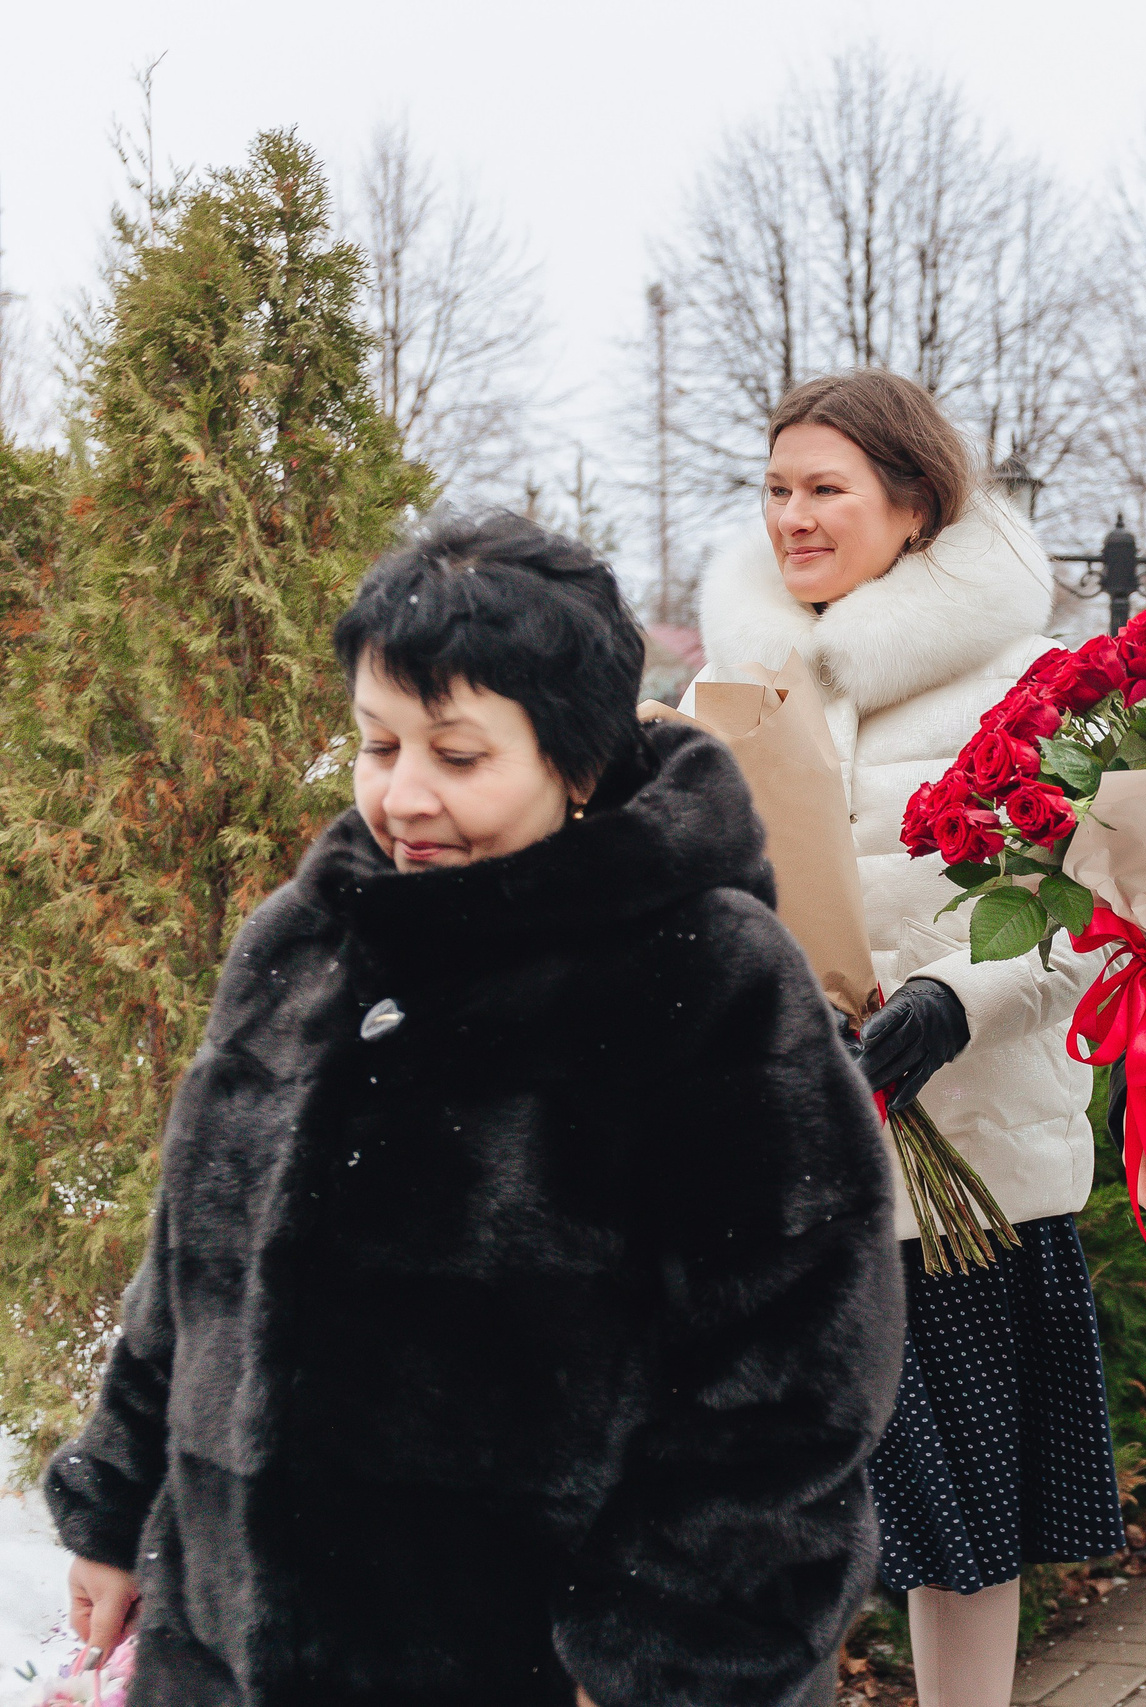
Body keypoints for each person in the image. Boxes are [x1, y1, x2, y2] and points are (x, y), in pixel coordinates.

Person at [44, 513, 903, 1706]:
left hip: (537, 1664)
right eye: (376, 742)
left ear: (579, 761)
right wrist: (116, 1502)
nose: (402, 796)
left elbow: (795, 1377)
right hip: (228, 1648)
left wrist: (666, 1658)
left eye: (457, 756)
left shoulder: (702, 979)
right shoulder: (303, 943)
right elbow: (189, 1256)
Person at [695, 370, 1122, 1707]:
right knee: (761, 1515)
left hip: (966, 1170)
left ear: (916, 500)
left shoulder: (1032, 682)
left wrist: (952, 996)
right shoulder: (734, 676)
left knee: (966, 1522)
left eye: (826, 488)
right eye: (776, 488)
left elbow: (1102, 909)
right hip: (777, 1164)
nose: (792, 517)